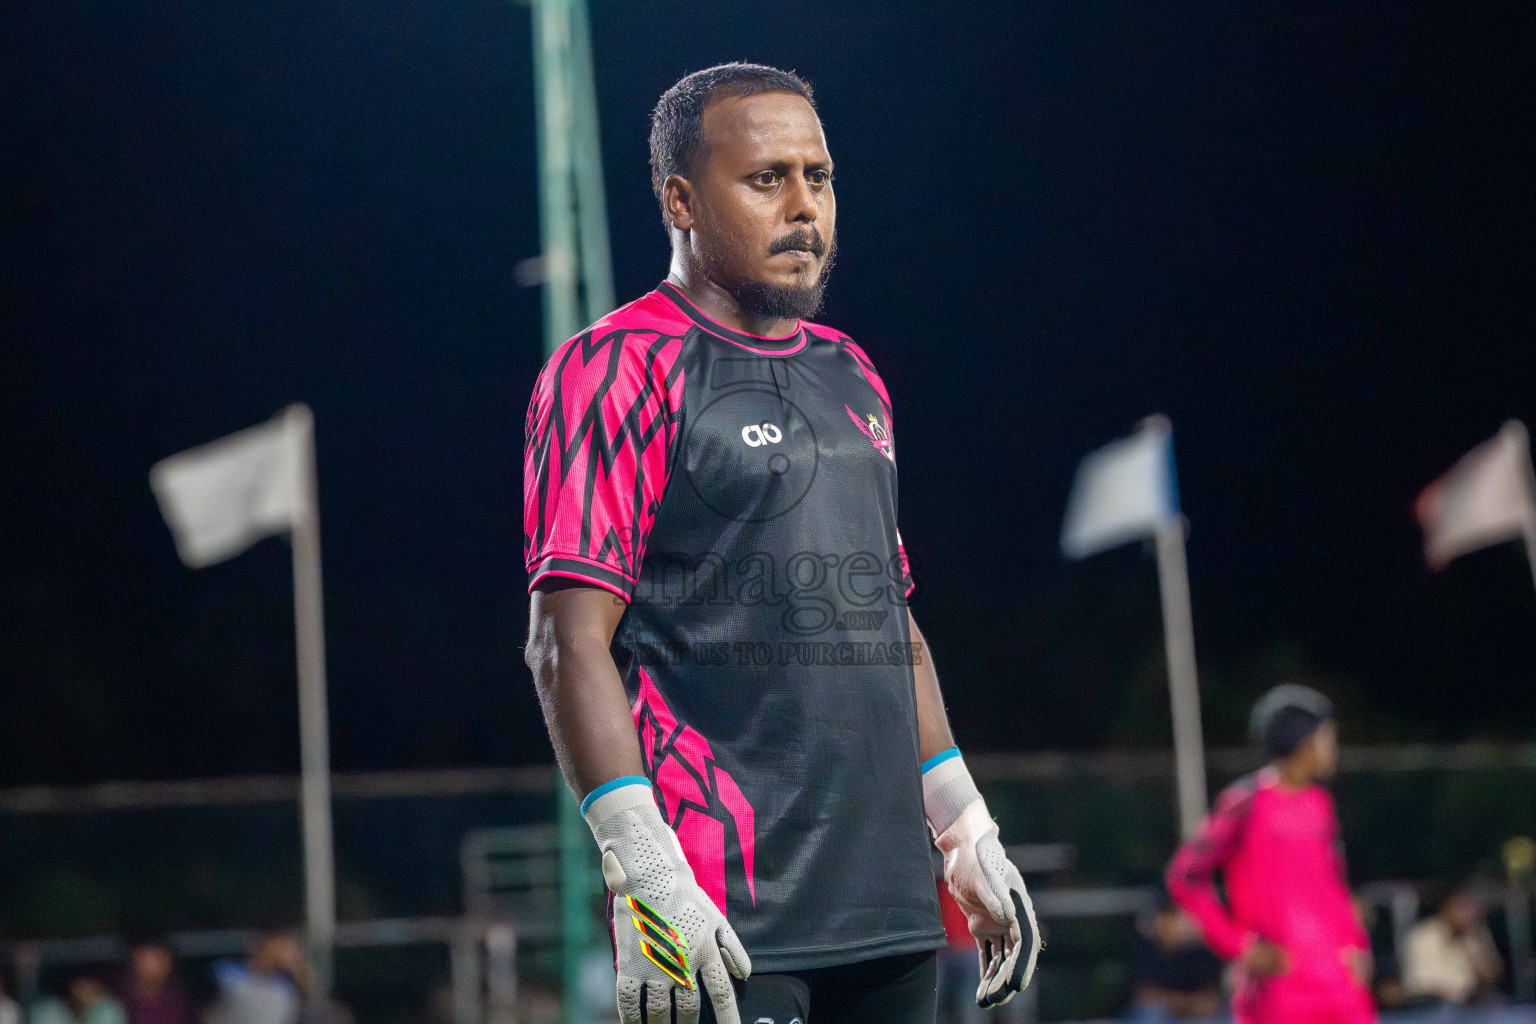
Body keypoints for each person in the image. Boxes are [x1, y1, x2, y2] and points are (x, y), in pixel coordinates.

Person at [523, 62, 1040, 1024]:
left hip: (890, 910)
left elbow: (892, 623)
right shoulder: (613, 368)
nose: (805, 206)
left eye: (820, 176)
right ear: (681, 199)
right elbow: (566, 643)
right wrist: (644, 871)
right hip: (720, 911)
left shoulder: (853, 374)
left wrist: (966, 831)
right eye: (767, 178)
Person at [1165, 684, 1375, 1024]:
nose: (1332, 747)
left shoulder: (1320, 803)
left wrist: (1357, 946)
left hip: (1341, 984)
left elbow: (1332, 883)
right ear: (1302, 742)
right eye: (1327, 737)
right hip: (1278, 990)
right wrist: (1240, 946)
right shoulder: (1245, 802)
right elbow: (1185, 877)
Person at [1401, 886, 1504, 1006]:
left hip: (1471, 1006)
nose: (1469, 915)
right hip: (1432, 1006)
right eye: (1463, 908)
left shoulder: (1476, 936)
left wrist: (1473, 947)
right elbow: (1418, 983)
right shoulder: (1422, 936)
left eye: (1471, 909)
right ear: (1446, 908)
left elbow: (1493, 976)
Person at [1123, 907, 1225, 1023]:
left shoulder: (1201, 954)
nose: (1178, 928)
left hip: (1189, 1016)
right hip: (1158, 1015)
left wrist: (1176, 1003)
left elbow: (1208, 1004)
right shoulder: (1145, 949)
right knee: (1149, 1015)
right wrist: (1186, 1003)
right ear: (1160, 921)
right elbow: (1145, 997)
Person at [115, 935, 193, 1024]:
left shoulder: (177, 1002)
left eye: (162, 960)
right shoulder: (117, 999)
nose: (154, 966)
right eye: (150, 958)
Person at [30, 975, 127, 1024]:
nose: (86, 990)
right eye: (81, 985)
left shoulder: (107, 1010)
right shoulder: (46, 1012)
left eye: (91, 986)